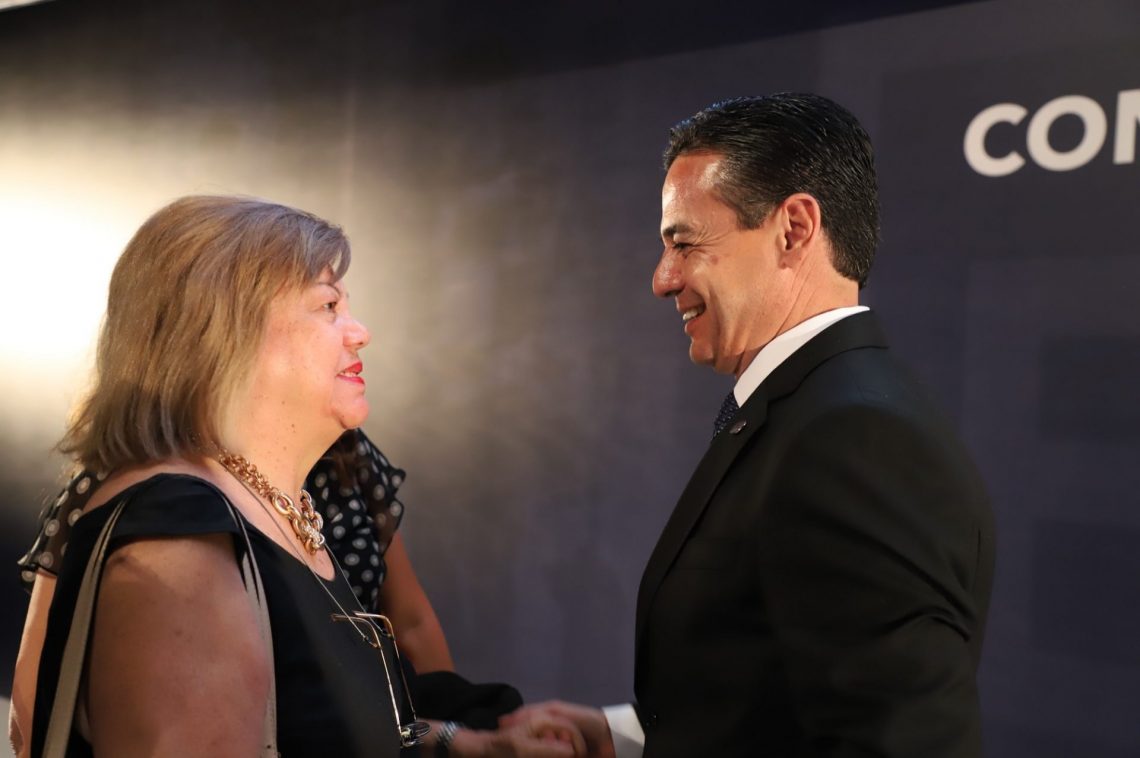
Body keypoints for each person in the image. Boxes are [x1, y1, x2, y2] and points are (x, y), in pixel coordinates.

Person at [507, 94, 996, 756]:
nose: (662, 279)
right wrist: (625, 737)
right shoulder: (819, 411)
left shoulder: (855, 437)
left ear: (793, 228)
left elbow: (900, 742)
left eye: (685, 242)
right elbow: (769, 691)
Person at [9, 195, 583, 757]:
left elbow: (326, 727)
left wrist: (474, 744)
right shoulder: (176, 534)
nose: (359, 332)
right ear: (225, 331)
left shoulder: (276, 509)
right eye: (328, 306)